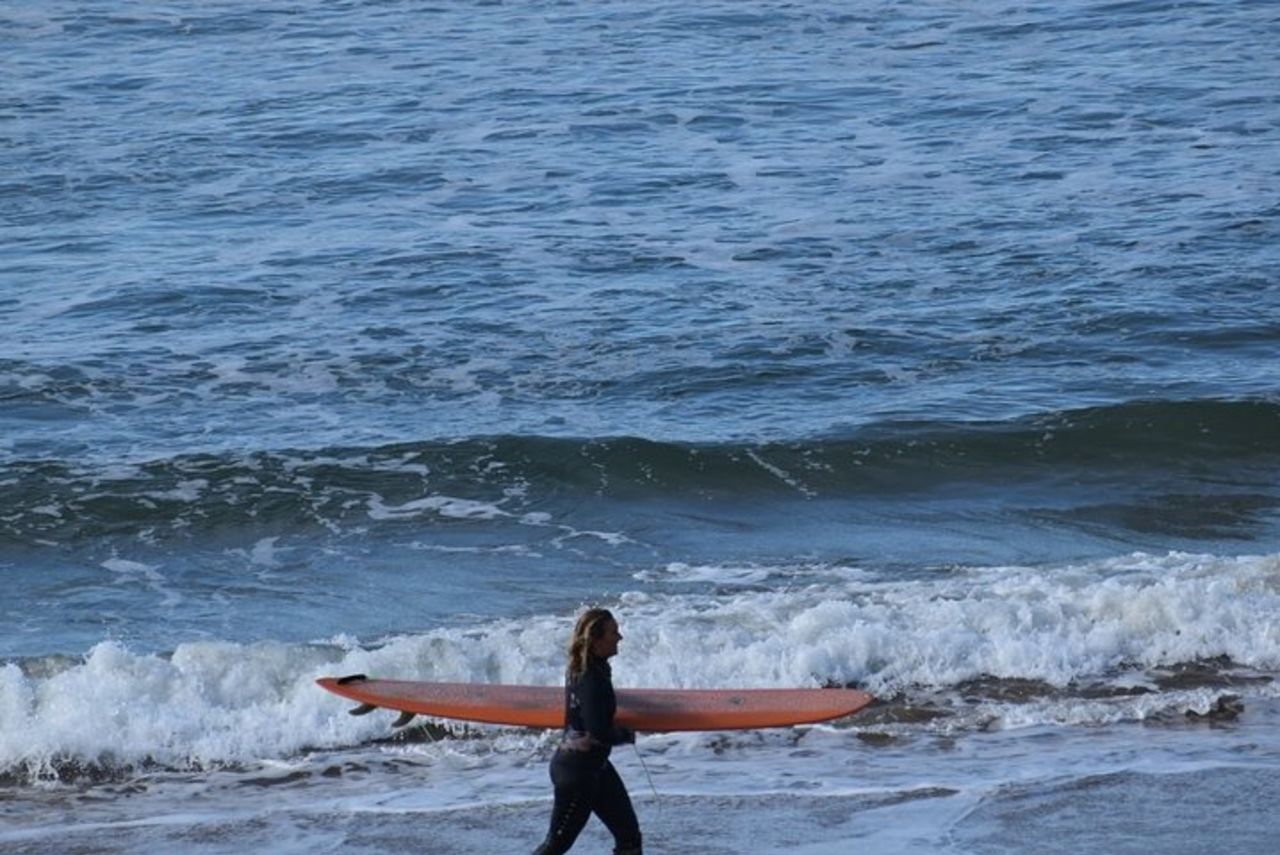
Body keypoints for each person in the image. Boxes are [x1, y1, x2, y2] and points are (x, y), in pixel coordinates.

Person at [533, 608, 643, 855]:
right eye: (614, 632)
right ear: (596, 639)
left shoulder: (588, 667)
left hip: (594, 766)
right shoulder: (591, 677)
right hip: (577, 773)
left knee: (629, 837)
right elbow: (599, 731)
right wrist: (627, 735)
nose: (620, 637)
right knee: (556, 844)